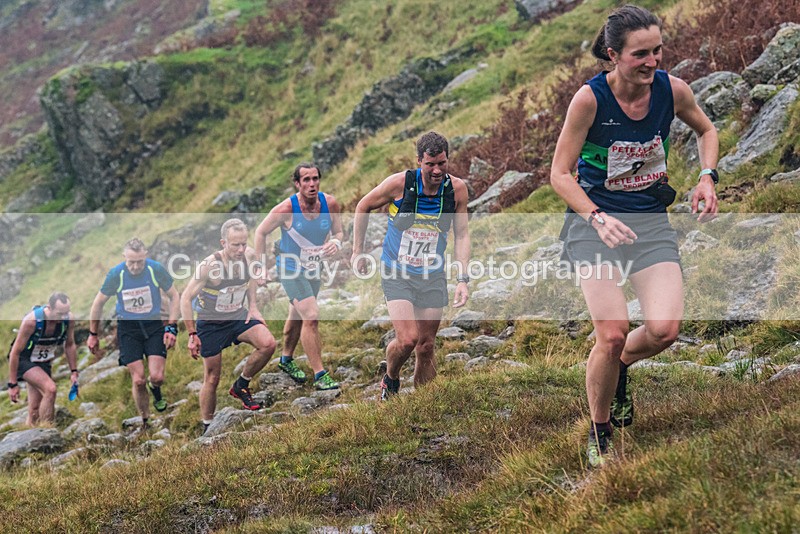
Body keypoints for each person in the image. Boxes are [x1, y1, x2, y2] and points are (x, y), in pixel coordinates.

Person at [550, 5, 719, 467]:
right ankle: (600, 429)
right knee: (611, 332)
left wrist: (707, 177)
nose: (652, 62)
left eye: (658, 51)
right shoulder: (589, 100)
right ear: (613, 55)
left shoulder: (672, 90)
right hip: (595, 227)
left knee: (665, 330)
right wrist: (598, 217)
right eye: (640, 54)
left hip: (649, 222)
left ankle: (619, 368)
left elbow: (706, 129)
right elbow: (559, 175)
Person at [352, 131, 471, 400]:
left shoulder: (457, 189)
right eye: (430, 164)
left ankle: (423, 405)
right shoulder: (399, 184)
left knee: (426, 345)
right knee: (407, 339)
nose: (437, 170)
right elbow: (363, 206)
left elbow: (462, 234)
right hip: (397, 271)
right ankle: (391, 378)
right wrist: (357, 251)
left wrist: (463, 278)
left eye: (442, 163)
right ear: (419, 161)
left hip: (432, 273)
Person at [180, 218, 277, 433]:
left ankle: (241, 385)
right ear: (223, 243)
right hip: (211, 324)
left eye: (243, 243)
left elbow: (252, 277)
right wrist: (191, 334)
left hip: (237, 316)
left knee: (268, 344)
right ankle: (207, 426)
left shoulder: (249, 255)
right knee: (212, 377)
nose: (241, 249)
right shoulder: (209, 266)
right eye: (235, 245)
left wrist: (253, 306)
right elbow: (185, 298)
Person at [254, 163, 344, 390]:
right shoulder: (286, 209)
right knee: (311, 315)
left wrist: (335, 242)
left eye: (315, 179)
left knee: (298, 313)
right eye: (306, 180)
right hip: (290, 267)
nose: (312, 184)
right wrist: (260, 265)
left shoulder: (330, 203)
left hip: (314, 267)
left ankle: (286, 358)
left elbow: (339, 231)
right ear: (297, 183)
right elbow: (261, 232)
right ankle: (320, 374)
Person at [88, 238, 180, 428]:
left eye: (140, 261)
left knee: (157, 377)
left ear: (145, 256)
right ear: (124, 258)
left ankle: (156, 391)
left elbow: (174, 296)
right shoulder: (116, 274)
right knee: (138, 380)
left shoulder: (155, 269)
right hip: (128, 330)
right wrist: (93, 333)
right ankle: (145, 419)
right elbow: (98, 304)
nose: (136, 266)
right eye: (131, 262)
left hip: (154, 327)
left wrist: (171, 326)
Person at [7, 292, 79, 426]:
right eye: (59, 313)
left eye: (66, 312)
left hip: (43, 361)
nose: (63, 317)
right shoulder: (31, 322)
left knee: (35, 408)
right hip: (24, 360)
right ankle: (48, 431)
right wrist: (12, 384)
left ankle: (30, 435)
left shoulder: (68, 320)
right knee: (50, 389)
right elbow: (15, 352)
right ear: (49, 308)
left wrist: (73, 371)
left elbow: (69, 345)